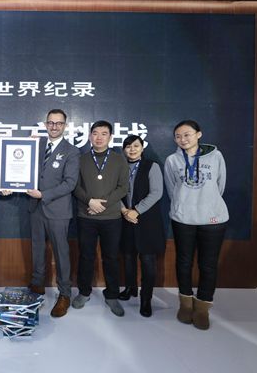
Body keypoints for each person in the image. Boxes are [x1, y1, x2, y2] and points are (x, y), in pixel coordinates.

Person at [164, 120, 228, 330]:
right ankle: (185, 304)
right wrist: (184, 205)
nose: (182, 139)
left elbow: (220, 185)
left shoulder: (216, 156)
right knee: (184, 262)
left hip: (213, 220)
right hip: (183, 219)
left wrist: (207, 203)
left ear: (198, 134)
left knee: (208, 265)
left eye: (187, 134)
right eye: (178, 136)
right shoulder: (172, 160)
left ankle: (202, 308)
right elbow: (172, 189)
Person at [26, 109, 80, 318]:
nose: (54, 126)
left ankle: (64, 293)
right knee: (37, 249)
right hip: (35, 208)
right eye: (51, 122)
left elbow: (70, 183)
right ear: (45, 124)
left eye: (59, 123)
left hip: (57, 209)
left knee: (61, 252)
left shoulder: (71, 151)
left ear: (65, 125)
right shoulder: (36, 145)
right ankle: (37, 284)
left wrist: (43, 194)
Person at [72, 120, 129, 317]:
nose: (99, 137)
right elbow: (75, 185)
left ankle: (112, 295)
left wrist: (102, 204)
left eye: (104, 134)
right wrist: (90, 201)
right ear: (90, 136)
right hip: (86, 215)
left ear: (110, 137)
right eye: (95, 133)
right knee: (86, 256)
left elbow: (123, 187)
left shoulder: (119, 159)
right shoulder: (81, 159)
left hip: (111, 217)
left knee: (111, 257)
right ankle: (84, 292)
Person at [118, 134, 166, 317]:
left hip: (146, 221)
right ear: (124, 149)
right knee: (128, 257)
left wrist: (136, 211)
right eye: (128, 146)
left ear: (142, 148)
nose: (132, 149)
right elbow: (114, 191)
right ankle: (130, 288)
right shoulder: (120, 167)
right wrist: (125, 211)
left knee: (147, 261)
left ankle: (146, 299)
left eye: (136, 146)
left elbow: (156, 193)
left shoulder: (151, 166)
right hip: (125, 220)